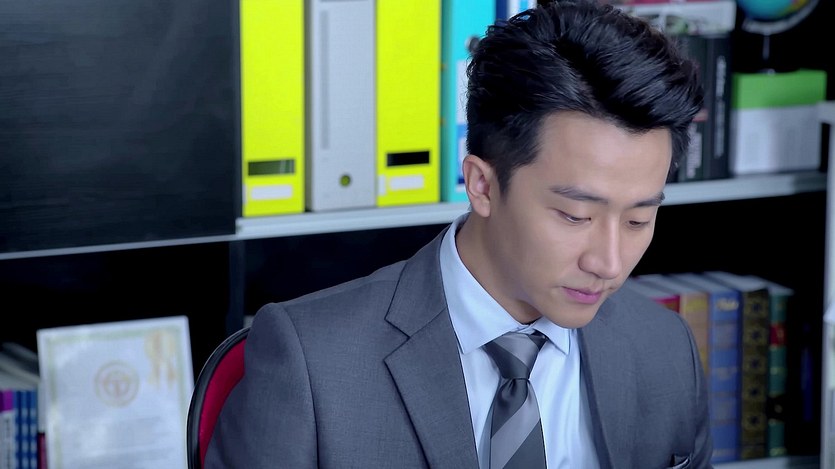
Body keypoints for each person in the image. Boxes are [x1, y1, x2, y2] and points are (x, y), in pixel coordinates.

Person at [204, 0, 710, 468]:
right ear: (481, 185)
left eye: (638, 220)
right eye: (575, 216)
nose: (609, 263)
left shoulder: (665, 349)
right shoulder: (314, 363)